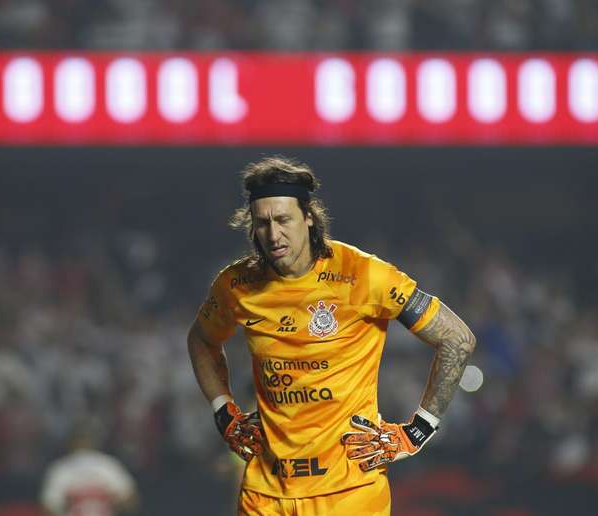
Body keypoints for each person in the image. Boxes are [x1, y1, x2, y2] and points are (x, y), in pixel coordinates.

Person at [187, 156, 476, 515]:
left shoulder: (363, 274)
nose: (273, 235)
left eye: (283, 220)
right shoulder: (236, 284)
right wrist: (223, 412)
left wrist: (419, 429)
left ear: (308, 217)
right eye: (262, 223)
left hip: (348, 493)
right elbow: (201, 340)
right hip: (265, 494)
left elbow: (457, 339)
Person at [40, 424, 139, 516]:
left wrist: (106, 500)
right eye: (80, 439)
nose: (83, 443)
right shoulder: (60, 469)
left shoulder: (108, 465)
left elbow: (131, 500)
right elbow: (48, 507)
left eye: (85, 439)